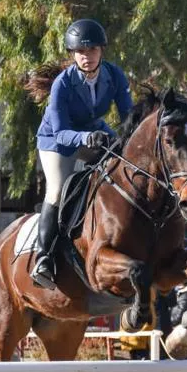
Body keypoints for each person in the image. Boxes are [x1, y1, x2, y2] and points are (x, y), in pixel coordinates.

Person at [31, 19, 133, 289]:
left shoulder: (114, 75)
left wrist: (129, 139)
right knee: (56, 190)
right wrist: (88, 138)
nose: (86, 57)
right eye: (80, 52)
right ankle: (44, 257)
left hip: (94, 132)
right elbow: (62, 132)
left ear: (101, 51)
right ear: (73, 54)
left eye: (91, 51)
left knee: (122, 170)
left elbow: (129, 118)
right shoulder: (62, 85)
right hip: (57, 142)